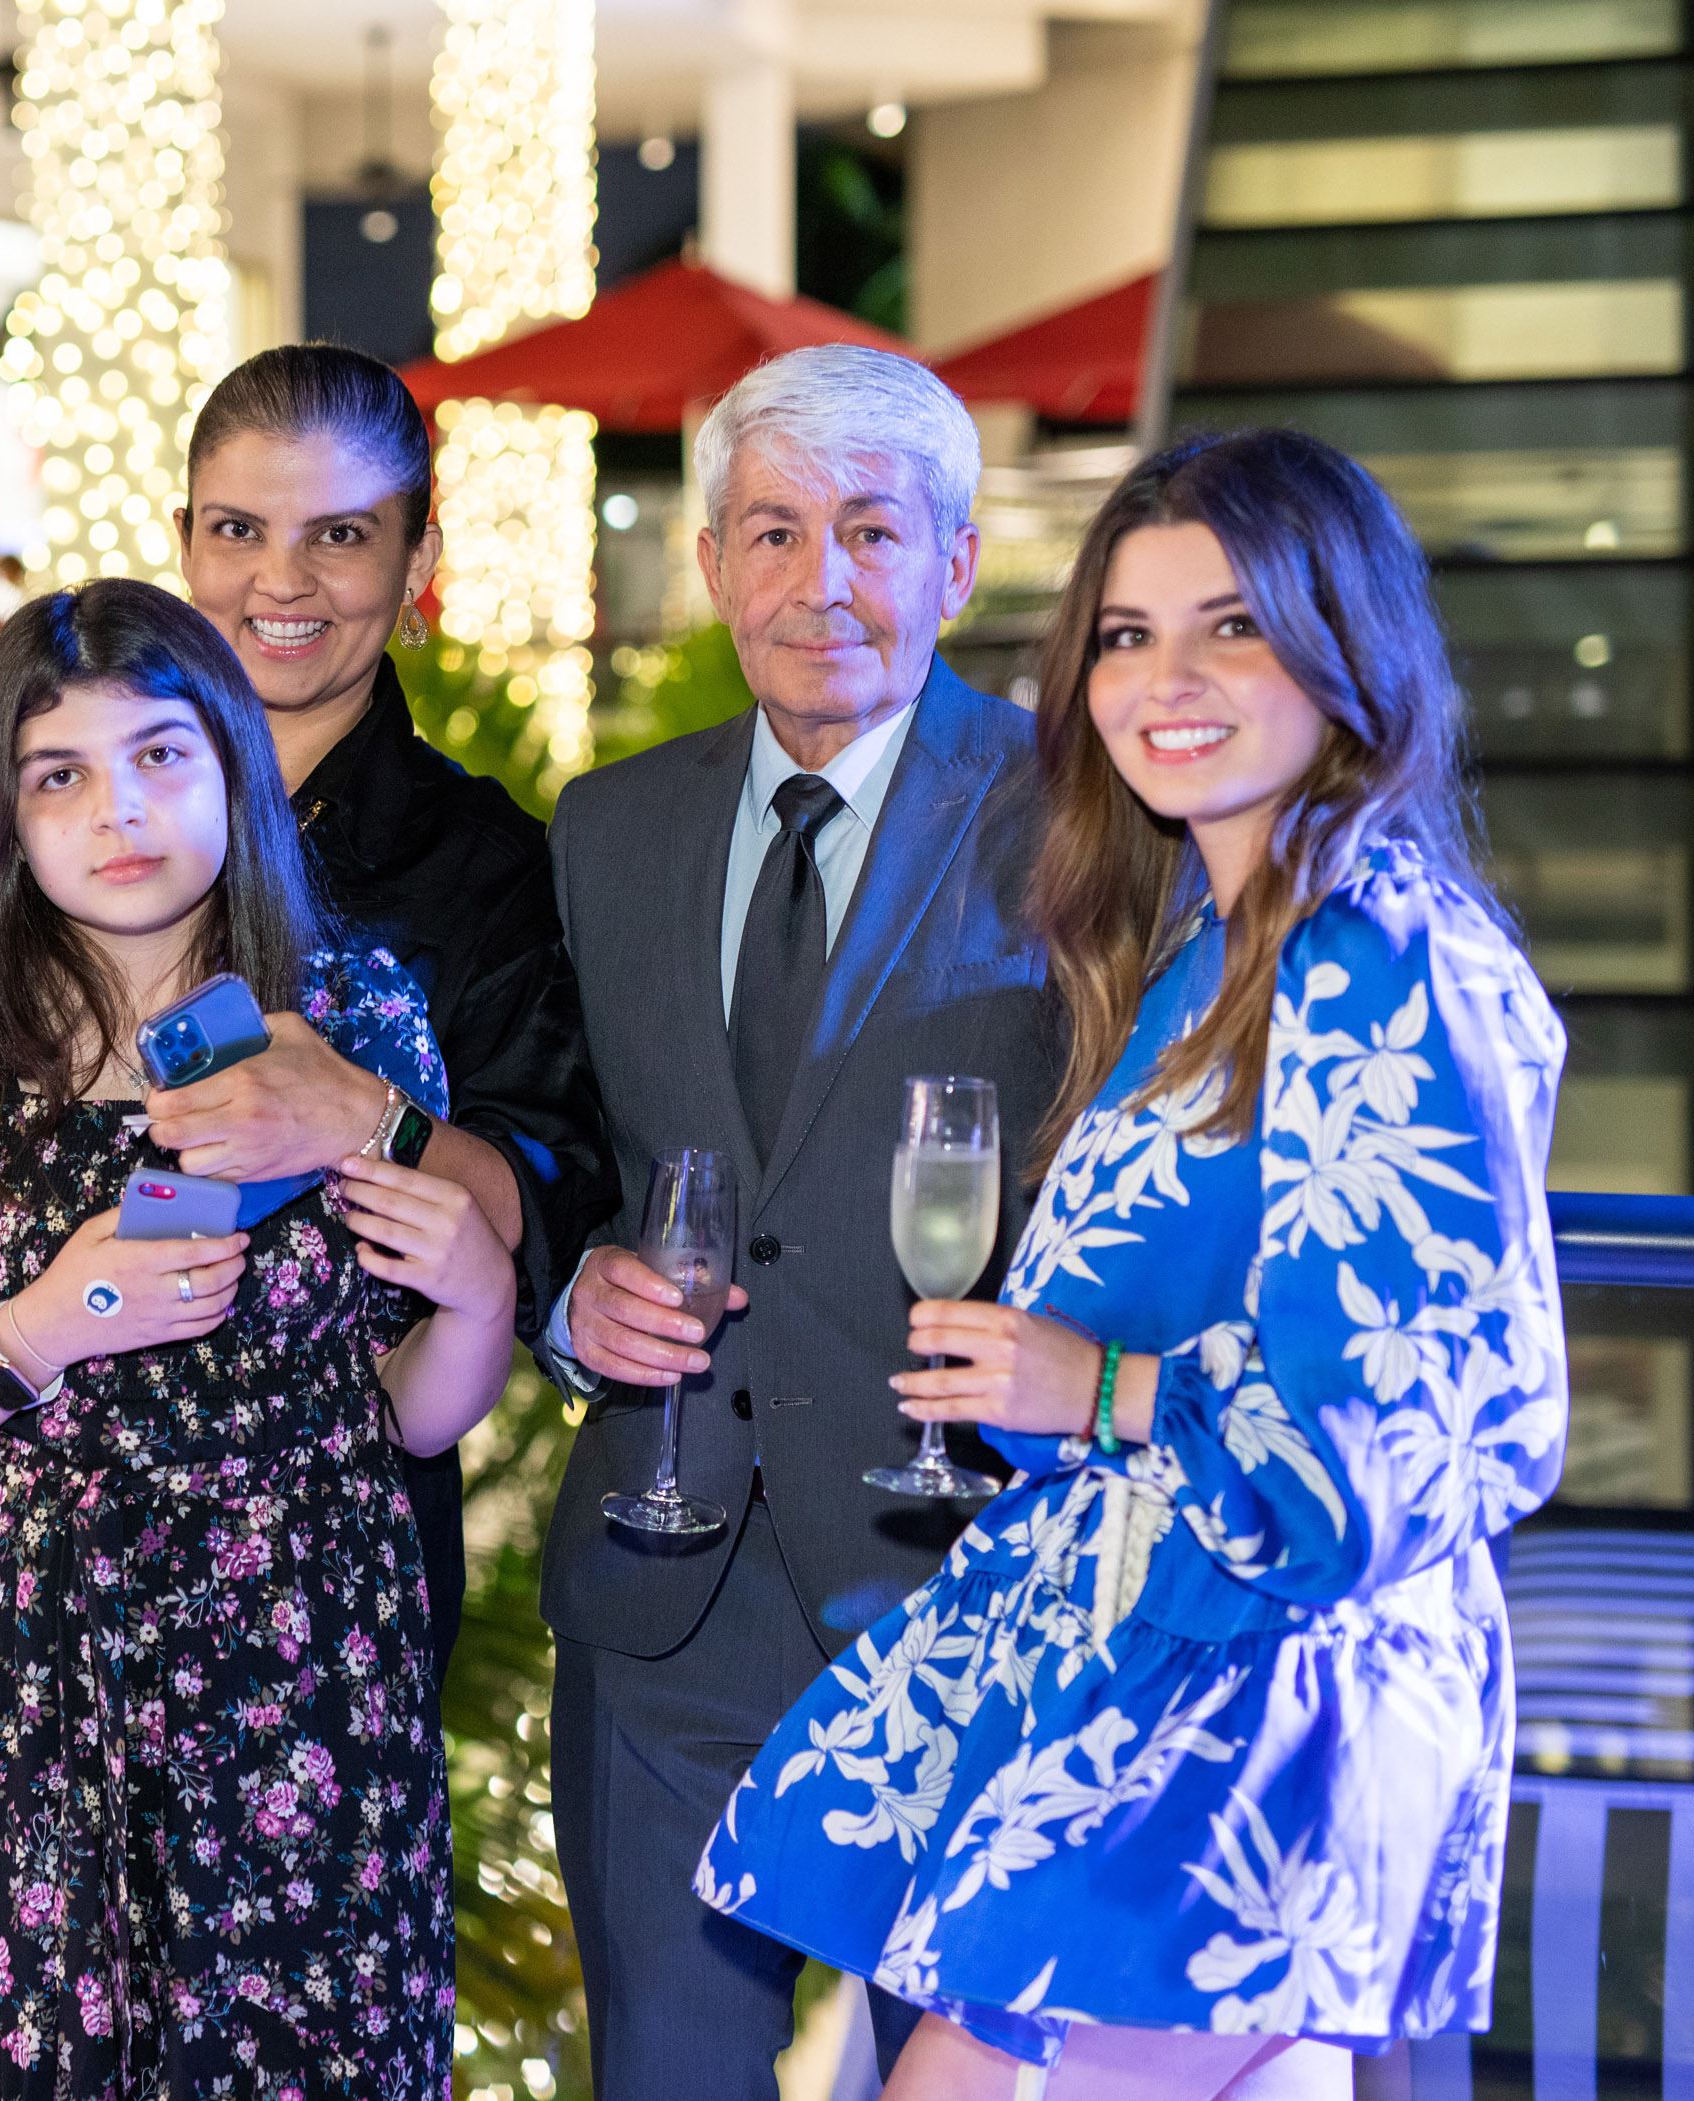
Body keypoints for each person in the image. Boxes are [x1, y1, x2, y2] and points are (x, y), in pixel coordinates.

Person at [698, 429, 1566, 2100]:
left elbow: (1440, 1408)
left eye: (1232, 626)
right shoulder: (1214, 953)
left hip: (1262, 1720)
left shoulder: (1372, 953)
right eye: (1125, 632)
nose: (1165, 678)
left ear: (1348, 650)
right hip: (1168, 1678)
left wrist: (1095, 1382)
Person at [0, 343, 616, 1674]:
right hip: (9, 1613)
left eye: (343, 535)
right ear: (185, 542)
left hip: (312, 1620)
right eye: (240, 529)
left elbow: (542, 1213)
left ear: (418, 559)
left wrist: (377, 1122)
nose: (284, 580)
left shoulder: (472, 865)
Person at [0, 579, 514, 2096]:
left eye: (165, 758)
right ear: (4, 815)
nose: (124, 811)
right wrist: (37, 1326)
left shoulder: (347, 1017)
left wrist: (481, 1285)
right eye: (64, 776)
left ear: (234, 770)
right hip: (29, 1691)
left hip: (303, 1686)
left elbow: (417, 1417)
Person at [539, 342, 1065, 2099]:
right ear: (710, 568)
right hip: (666, 1577)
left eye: (868, 530)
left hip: (963, 1581)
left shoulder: (1081, 821)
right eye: (770, 531)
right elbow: (562, 1154)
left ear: (955, 564)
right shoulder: (608, 829)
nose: (816, 581)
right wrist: (574, 1297)